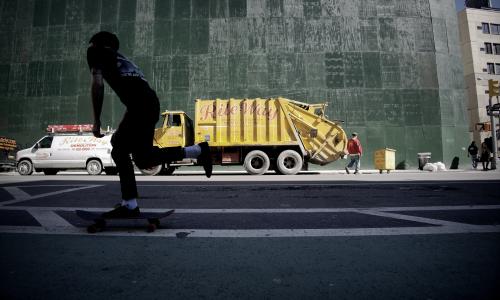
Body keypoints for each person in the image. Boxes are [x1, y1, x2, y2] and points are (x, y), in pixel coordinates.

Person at [87, 31, 212, 218]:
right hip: (148, 104)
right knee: (143, 159)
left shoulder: (96, 53)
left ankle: (129, 205)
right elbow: (135, 95)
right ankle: (197, 151)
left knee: (119, 149)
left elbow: (98, 85)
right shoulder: (123, 60)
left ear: (95, 44)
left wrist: (96, 120)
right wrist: (124, 122)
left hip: (140, 106)